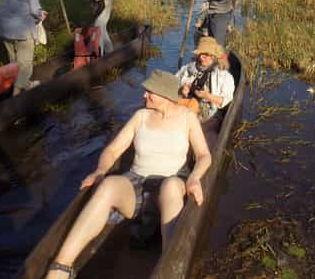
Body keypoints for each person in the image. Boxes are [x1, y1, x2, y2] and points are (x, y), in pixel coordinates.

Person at [45, 70, 211, 279]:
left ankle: (169, 269)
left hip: (172, 185)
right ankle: (60, 267)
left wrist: (195, 178)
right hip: (137, 184)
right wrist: (100, 170)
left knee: (169, 186)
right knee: (108, 185)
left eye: (150, 92)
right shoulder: (140, 116)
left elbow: (204, 155)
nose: (144, 95)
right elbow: (113, 150)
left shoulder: (187, 118)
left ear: (166, 95)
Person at [0, 0, 47, 96]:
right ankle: (16, 95)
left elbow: (16, 3)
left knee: (13, 62)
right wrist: (41, 14)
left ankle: (25, 84)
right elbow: (34, 9)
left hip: (5, 27)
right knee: (25, 65)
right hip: (22, 29)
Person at [176, 37, 234, 124]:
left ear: (214, 57)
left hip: (208, 113)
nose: (202, 58)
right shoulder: (187, 68)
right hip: (186, 105)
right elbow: (173, 85)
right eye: (201, 55)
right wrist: (181, 91)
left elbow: (226, 100)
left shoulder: (225, 76)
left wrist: (207, 96)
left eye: (205, 55)